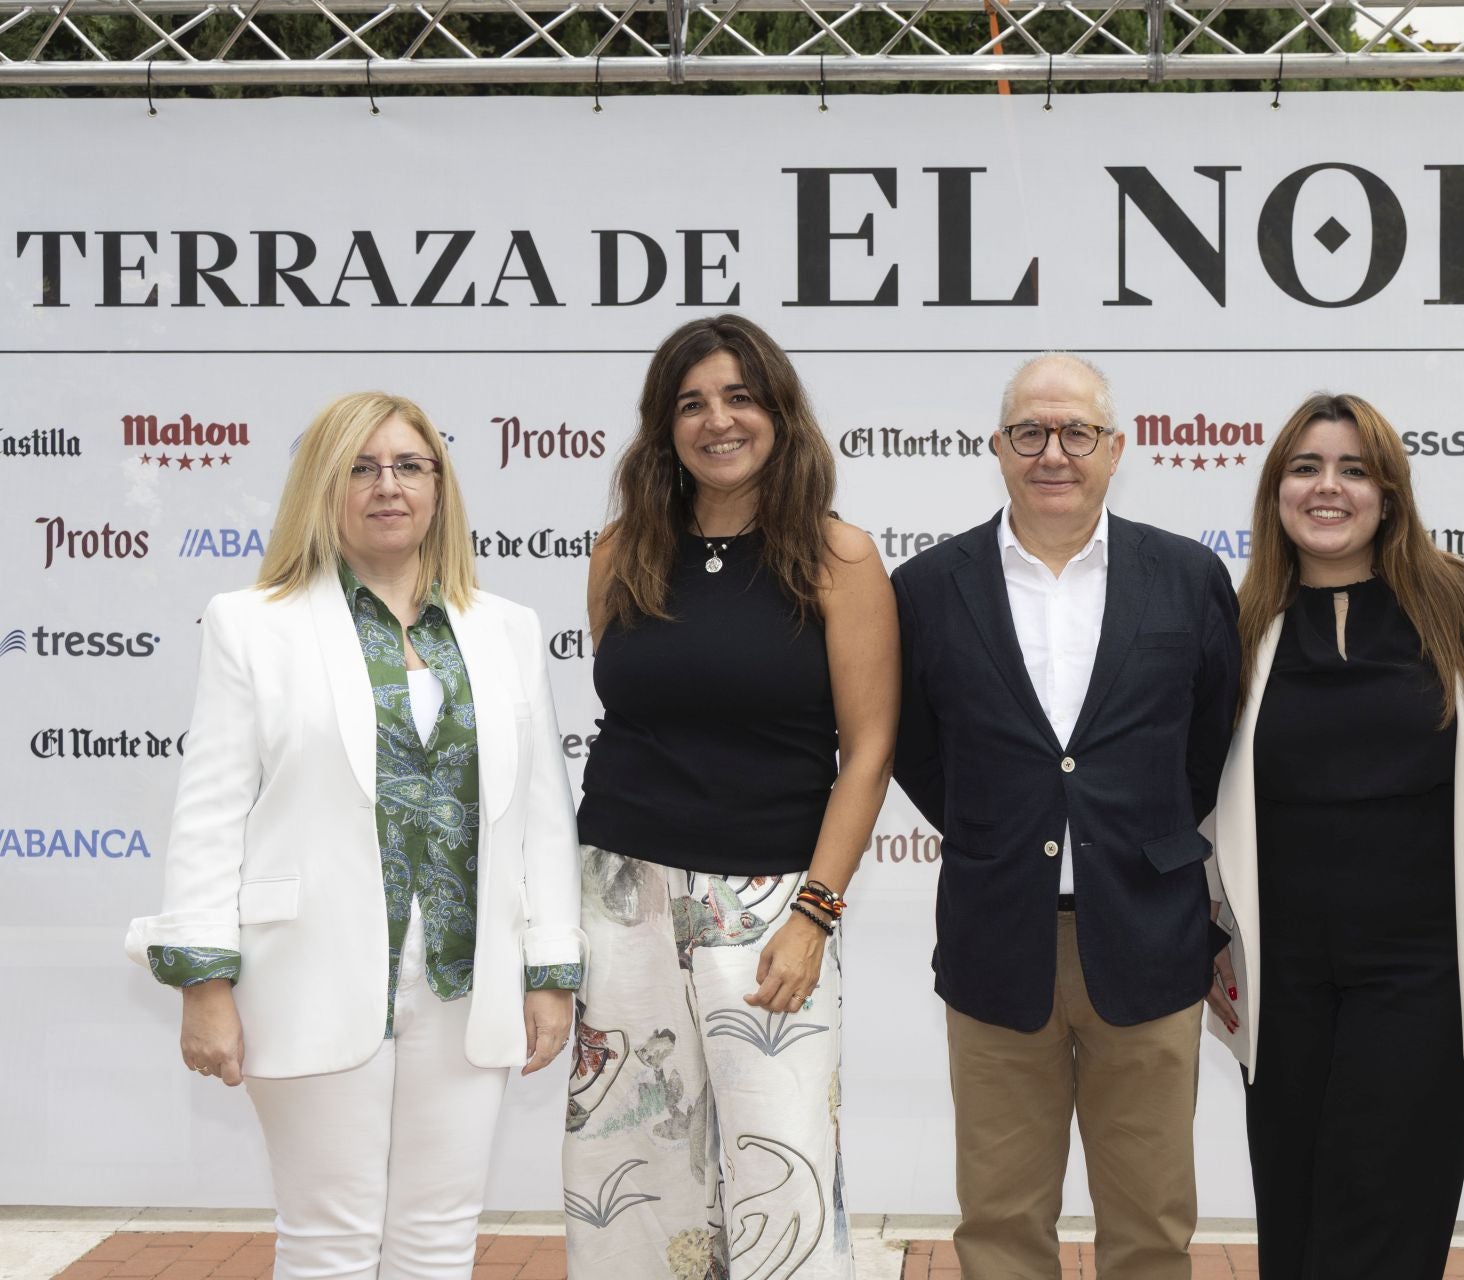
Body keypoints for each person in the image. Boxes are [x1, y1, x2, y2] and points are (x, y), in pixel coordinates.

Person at [125, 391, 583, 1280]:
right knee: (327, 1241)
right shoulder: (252, 624)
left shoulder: (507, 631)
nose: (388, 486)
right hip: (306, 973)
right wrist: (203, 982)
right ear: (322, 488)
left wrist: (551, 973)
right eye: (361, 467)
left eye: (411, 466)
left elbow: (539, 814)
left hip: (464, 980)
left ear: (440, 488)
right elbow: (212, 810)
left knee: (441, 1238)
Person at [892, 353, 1239, 1280]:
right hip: (998, 938)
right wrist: (1000, 828)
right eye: (1031, 433)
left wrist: (1140, 833)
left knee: (1153, 1226)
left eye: (1077, 432)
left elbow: (1211, 743)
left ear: (1115, 448)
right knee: (1000, 1224)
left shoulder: (1187, 576)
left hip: (1150, 936)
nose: (1055, 453)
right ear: (998, 448)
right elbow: (916, 750)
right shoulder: (927, 588)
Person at [564, 314, 896, 1280]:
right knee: (625, 1174)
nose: (718, 421)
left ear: (780, 414)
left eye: (740, 397)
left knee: (779, 1179)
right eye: (692, 403)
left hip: (769, 908)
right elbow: (635, 720)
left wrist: (815, 914)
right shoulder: (621, 550)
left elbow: (869, 750)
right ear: (663, 427)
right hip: (620, 898)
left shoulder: (838, 558)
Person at [1202, 393, 1464, 1279]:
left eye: (1353, 469)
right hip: (1282, 975)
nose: (1327, 487)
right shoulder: (1238, 619)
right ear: (1276, 493)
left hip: (1423, 973)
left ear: (1390, 494)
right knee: (1292, 1218)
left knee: (1382, 1214)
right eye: (1305, 468)